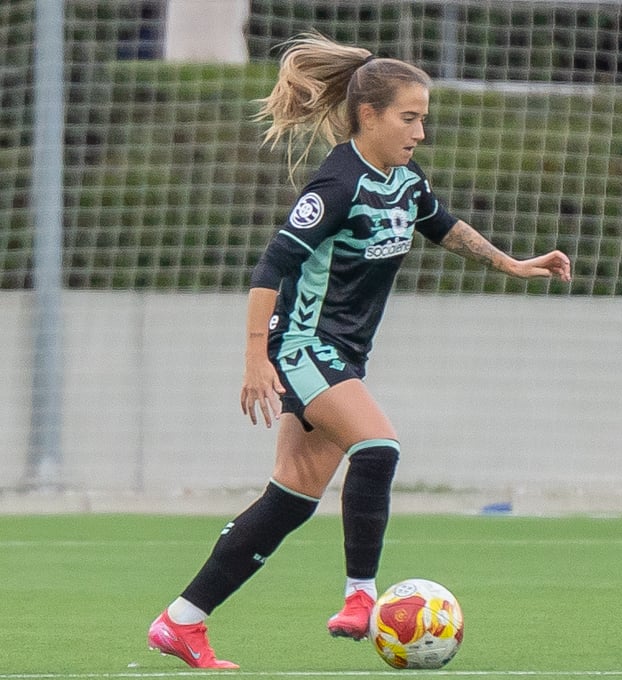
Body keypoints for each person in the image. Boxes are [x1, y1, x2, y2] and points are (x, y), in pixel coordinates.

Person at [146, 33, 571, 669]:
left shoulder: (402, 179)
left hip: (341, 354)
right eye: (409, 118)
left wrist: (513, 264)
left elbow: (442, 225)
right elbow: (272, 265)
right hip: (303, 344)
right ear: (367, 115)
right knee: (378, 447)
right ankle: (361, 599)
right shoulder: (338, 185)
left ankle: (182, 621)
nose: (420, 132)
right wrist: (255, 358)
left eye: (424, 118)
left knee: (289, 499)